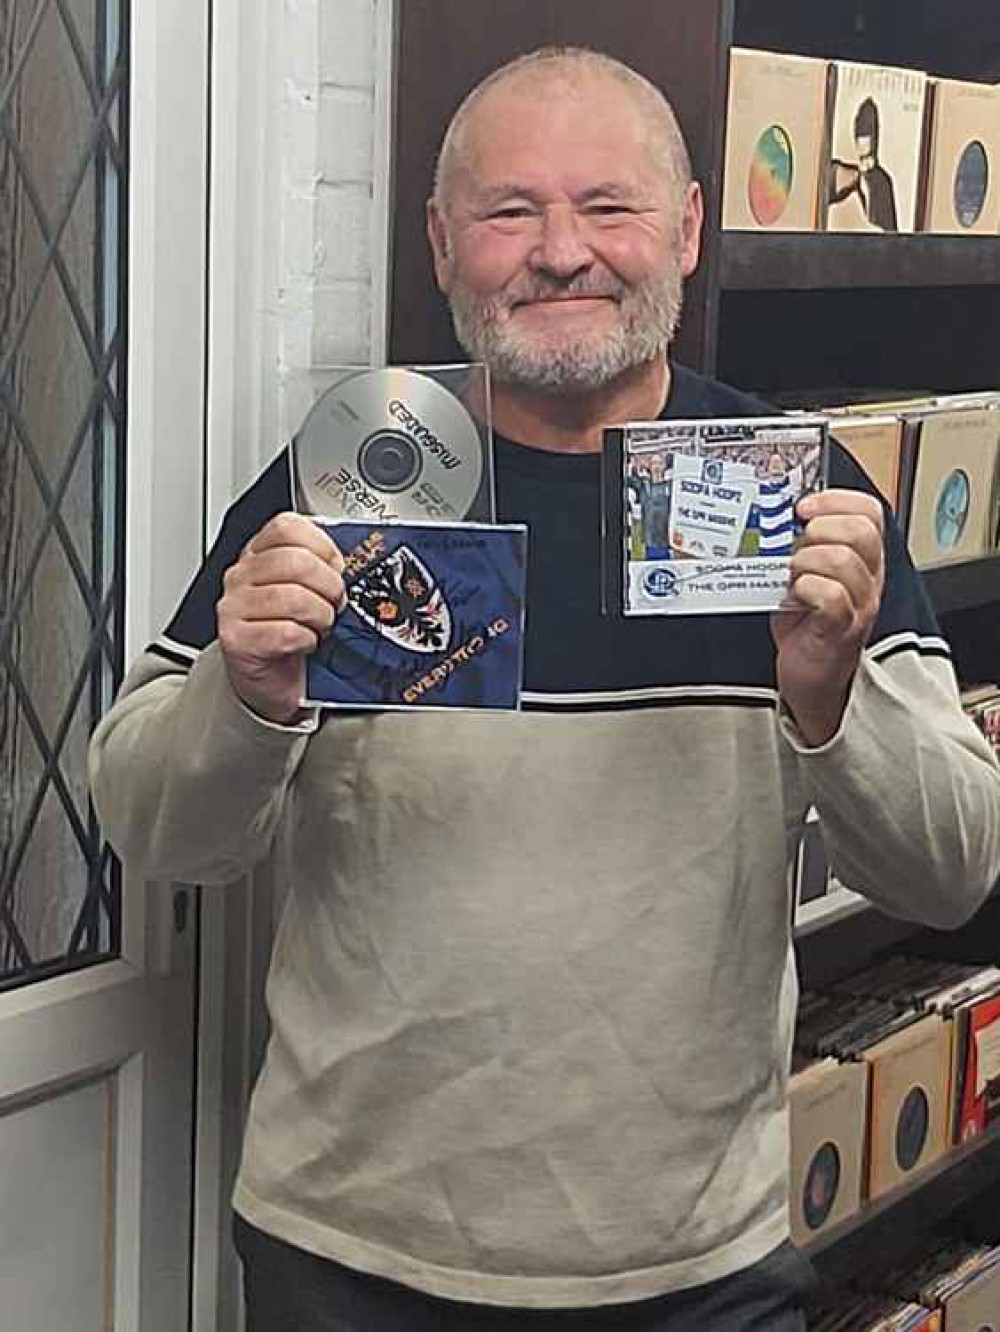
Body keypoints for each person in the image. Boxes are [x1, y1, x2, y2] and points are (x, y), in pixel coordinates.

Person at [89, 47, 1000, 1331]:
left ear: (685, 228)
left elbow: (952, 868)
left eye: (608, 206)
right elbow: (157, 831)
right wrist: (243, 693)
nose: (560, 251)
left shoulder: (791, 495)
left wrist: (824, 697)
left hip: (695, 1272)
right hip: (348, 1256)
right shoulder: (354, 475)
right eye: (509, 211)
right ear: (441, 243)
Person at [829, 97, 899, 232]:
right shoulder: (838, 173)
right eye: (863, 158)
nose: (866, 163)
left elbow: (890, 232)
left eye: (869, 156)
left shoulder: (883, 183)